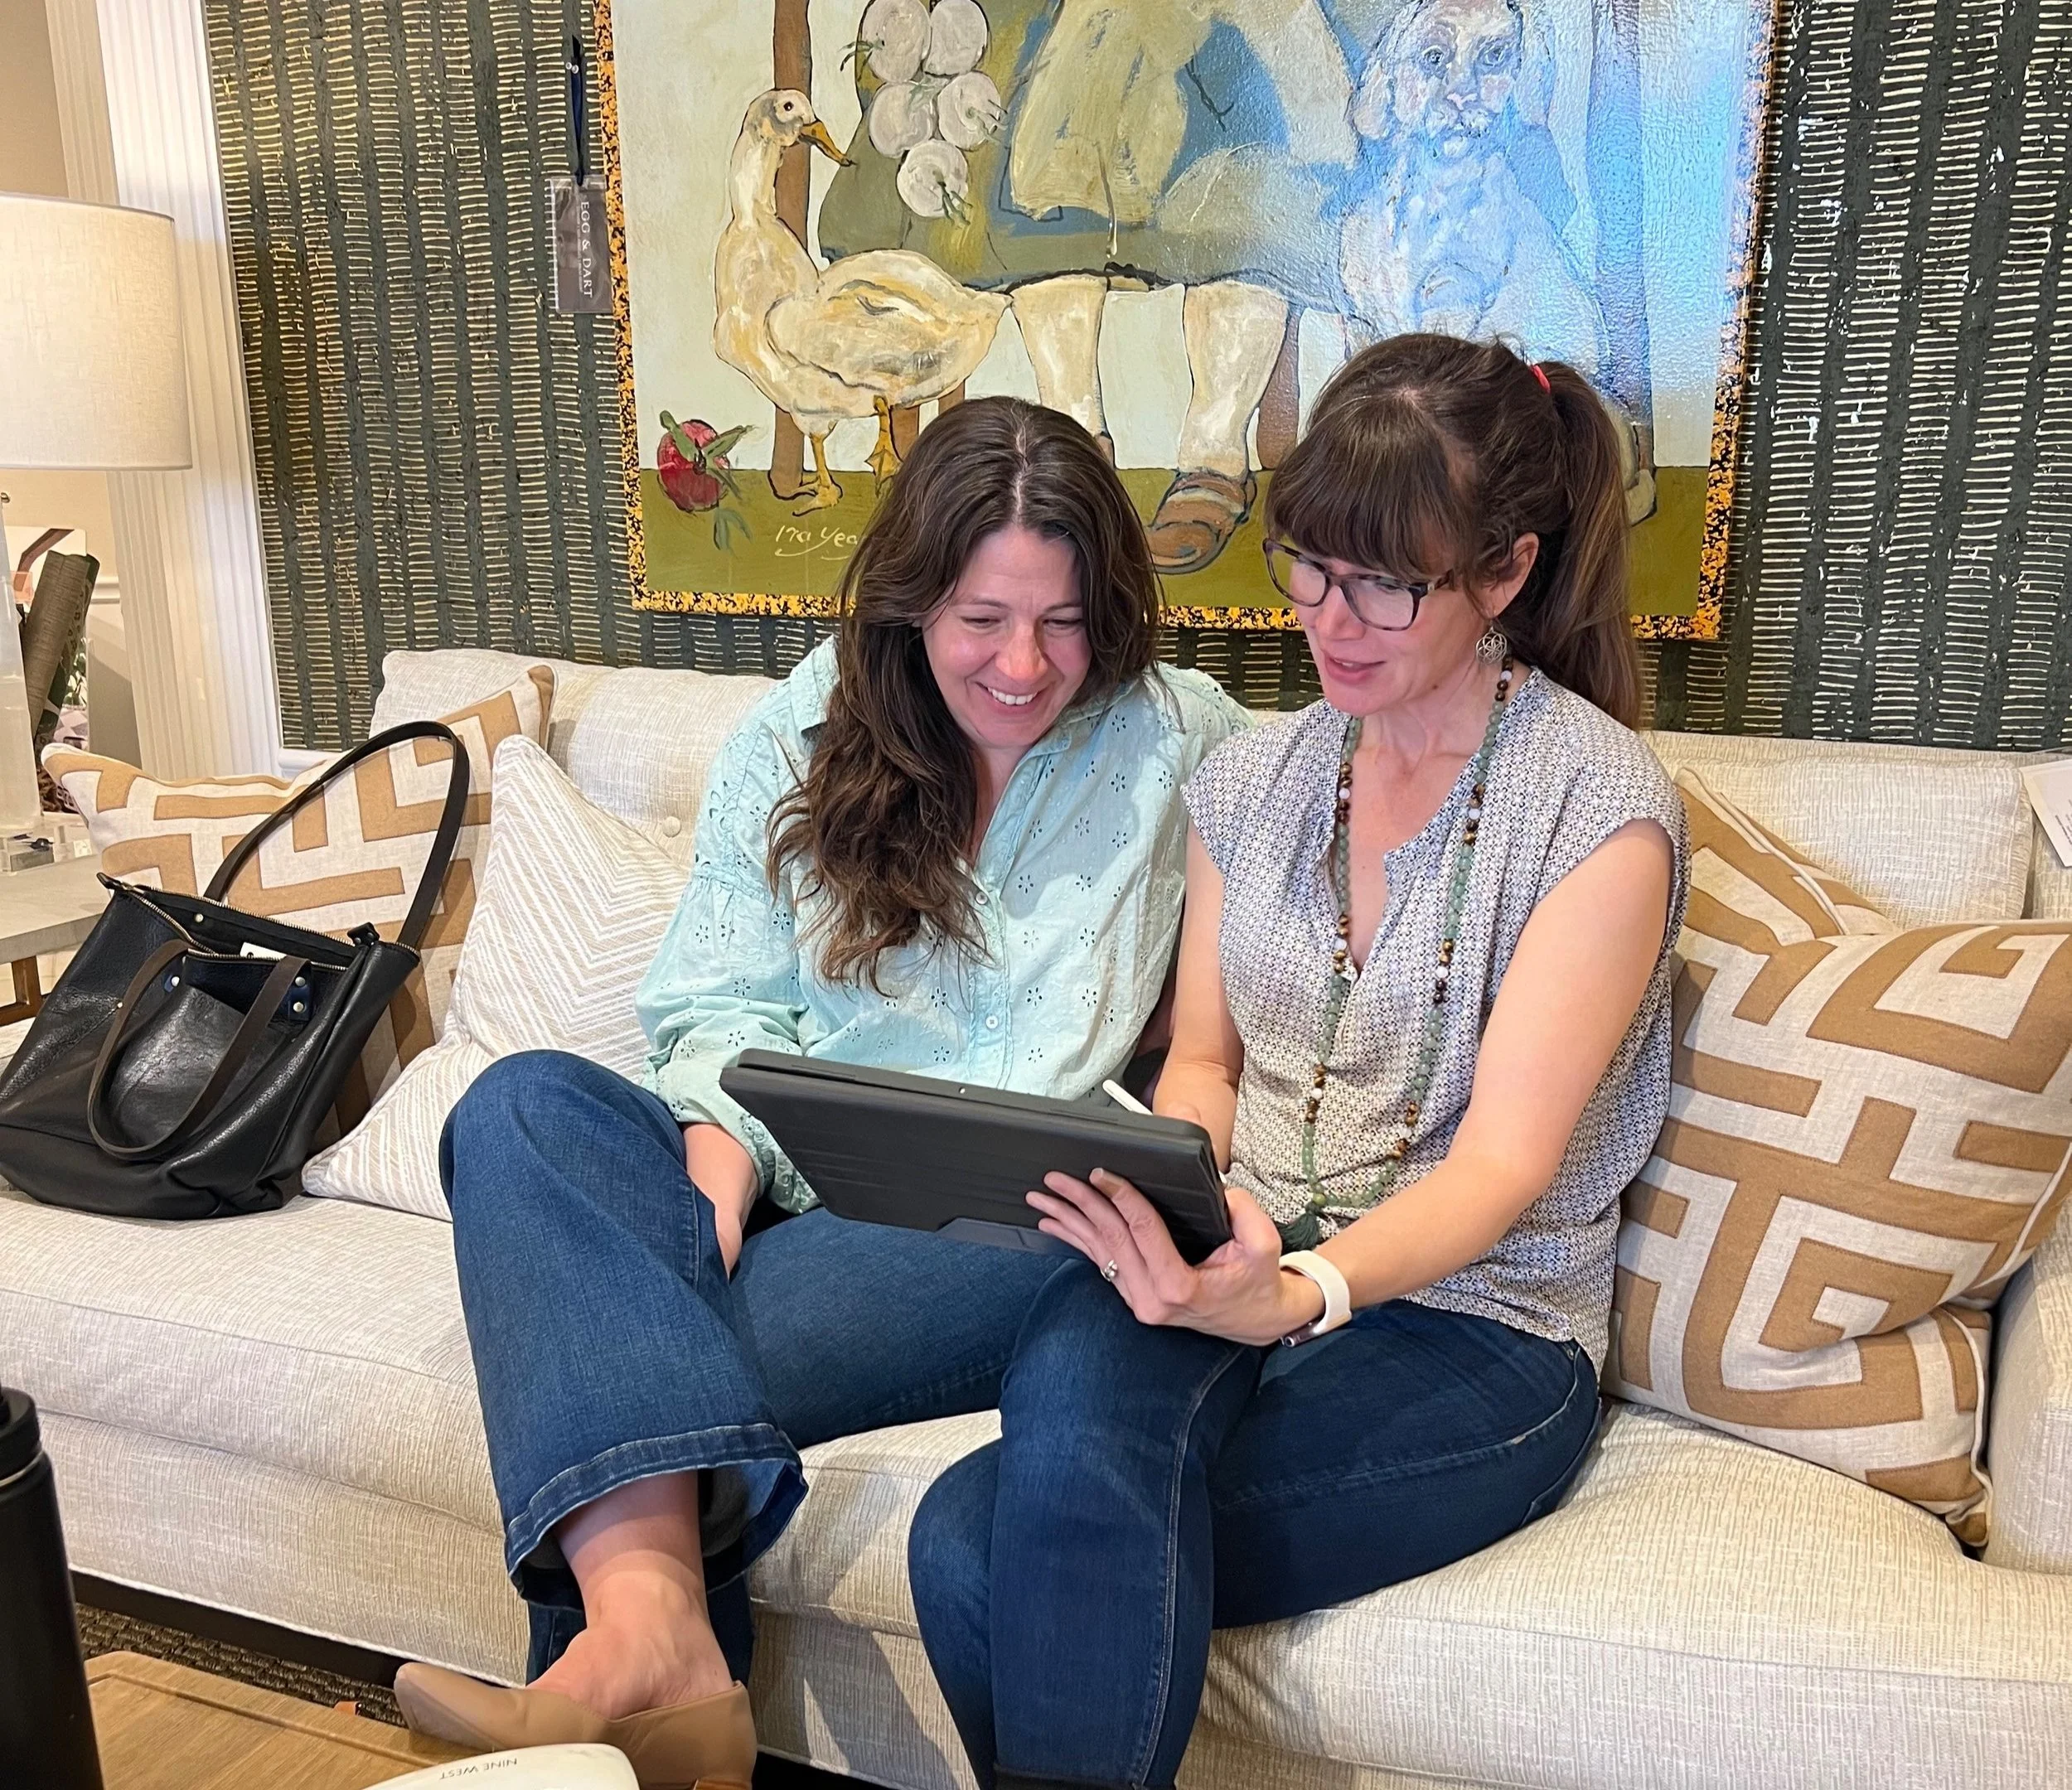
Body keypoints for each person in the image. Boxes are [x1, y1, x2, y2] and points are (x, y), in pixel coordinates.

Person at [391, 396, 1248, 1786]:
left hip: (1024, 1219)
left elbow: (1258, 985)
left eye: (1064, 620)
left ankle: (630, 1671)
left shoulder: (1187, 742)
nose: (1025, 665)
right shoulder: (809, 720)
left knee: (608, 1384)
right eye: (982, 618)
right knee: (522, 1110)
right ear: (913, 600)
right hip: (797, 1190)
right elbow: (719, 1004)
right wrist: (706, 1213)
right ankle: (657, 1633)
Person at [903, 334, 1689, 1790]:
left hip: (1476, 1331)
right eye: (1310, 565)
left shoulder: (1597, 812)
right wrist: (1192, 1197)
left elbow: (1509, 1166)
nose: (1333, 618)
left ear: (1505, 574)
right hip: (1240, 1254)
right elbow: (1201, 1064)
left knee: (974, 1540)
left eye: (1388, 580)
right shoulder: (1254, 780)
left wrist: (1303, 1290)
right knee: (980, 1511)